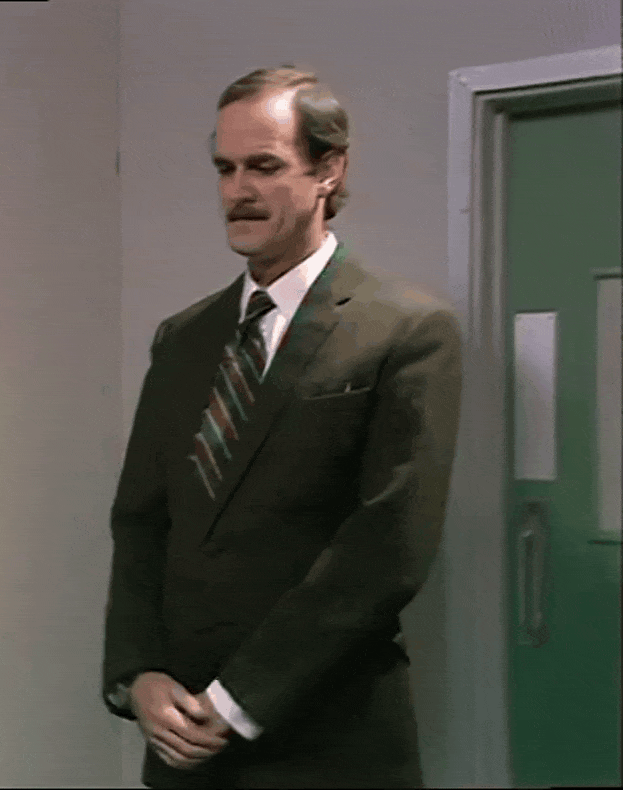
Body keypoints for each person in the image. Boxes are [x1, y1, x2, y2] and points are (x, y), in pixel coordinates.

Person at [101, 65, 462, 789]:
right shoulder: (184, 338)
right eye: (225, 168)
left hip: (329, 741)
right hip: (185, 741)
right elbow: (141, 522)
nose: (238, 190)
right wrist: (137, 674)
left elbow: (388, 546)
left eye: (264, 166)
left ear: (329, 170)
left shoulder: (406, 330)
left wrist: (240, 700)